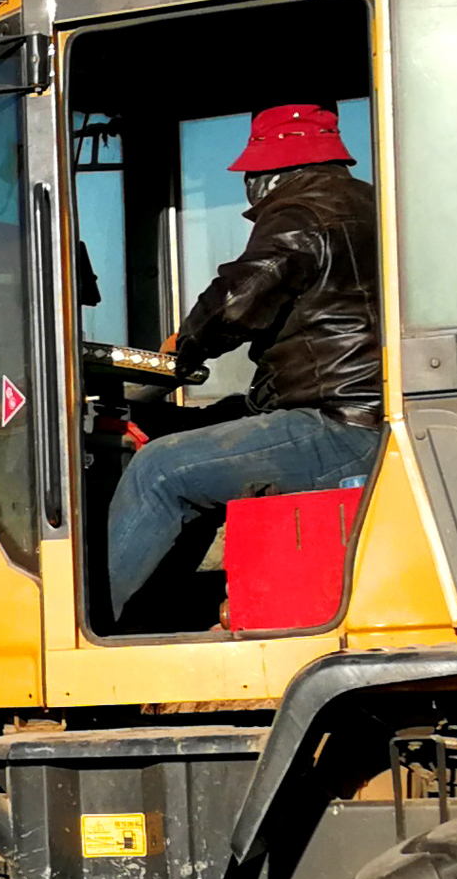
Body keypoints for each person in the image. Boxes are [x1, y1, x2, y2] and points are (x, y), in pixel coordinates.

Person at [104, 103, 386, 615]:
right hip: (358, 412)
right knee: (187, 431)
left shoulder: (300, 213)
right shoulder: (372, 203)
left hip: (339, 426)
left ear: (269, 170)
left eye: (251, 173)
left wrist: (182, 347)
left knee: (159, 472)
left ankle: (102, 629)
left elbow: (238, 300)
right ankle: (164, 614)